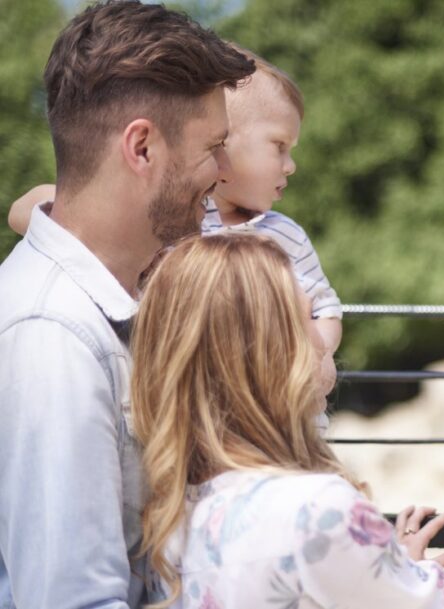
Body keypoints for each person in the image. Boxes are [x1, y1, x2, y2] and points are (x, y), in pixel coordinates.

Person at [129, 232, 444, 609]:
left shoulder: (176, 504)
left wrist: (386, 569)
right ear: (267, 350)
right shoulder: (319, 511)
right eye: (307, 316)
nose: (326, 335)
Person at [0, 2, 255, 607]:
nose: (224, 172)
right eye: (214, 147)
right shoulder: (53, 336)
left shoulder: (107, 308)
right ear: (141, 148)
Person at [8, 46, 343, 410]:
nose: (290, 165)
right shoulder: (176, 224)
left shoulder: (284, 235)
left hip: (276, 416)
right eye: (279, 146)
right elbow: (24, 209)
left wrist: (317, 356)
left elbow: (326, 308)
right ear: (224, 143)